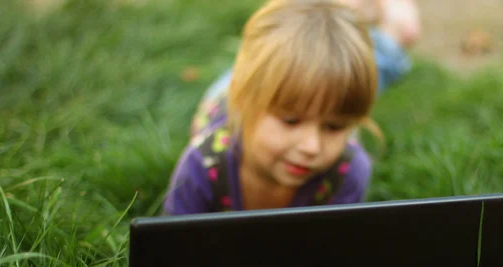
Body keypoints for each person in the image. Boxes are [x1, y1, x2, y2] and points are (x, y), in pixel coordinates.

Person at [162, 0, 421, 215]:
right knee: (272, 71)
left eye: (334, 126)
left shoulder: (348, 172)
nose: (312, 146)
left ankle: (376, 27)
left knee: (349, 78)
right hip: (223, 97)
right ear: (242, 103)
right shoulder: (201, 165)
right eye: (290, 121)